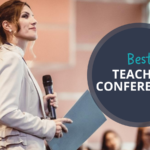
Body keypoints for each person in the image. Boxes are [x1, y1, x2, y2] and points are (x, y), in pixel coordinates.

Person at [0, 0, 73, 149]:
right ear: (7, 26)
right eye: (25, 16)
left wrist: (40, 106)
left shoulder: (12, 57)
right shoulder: (12, 58)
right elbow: (6, 112)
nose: (34, 21)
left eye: (33, 16)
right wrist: (47, 126)